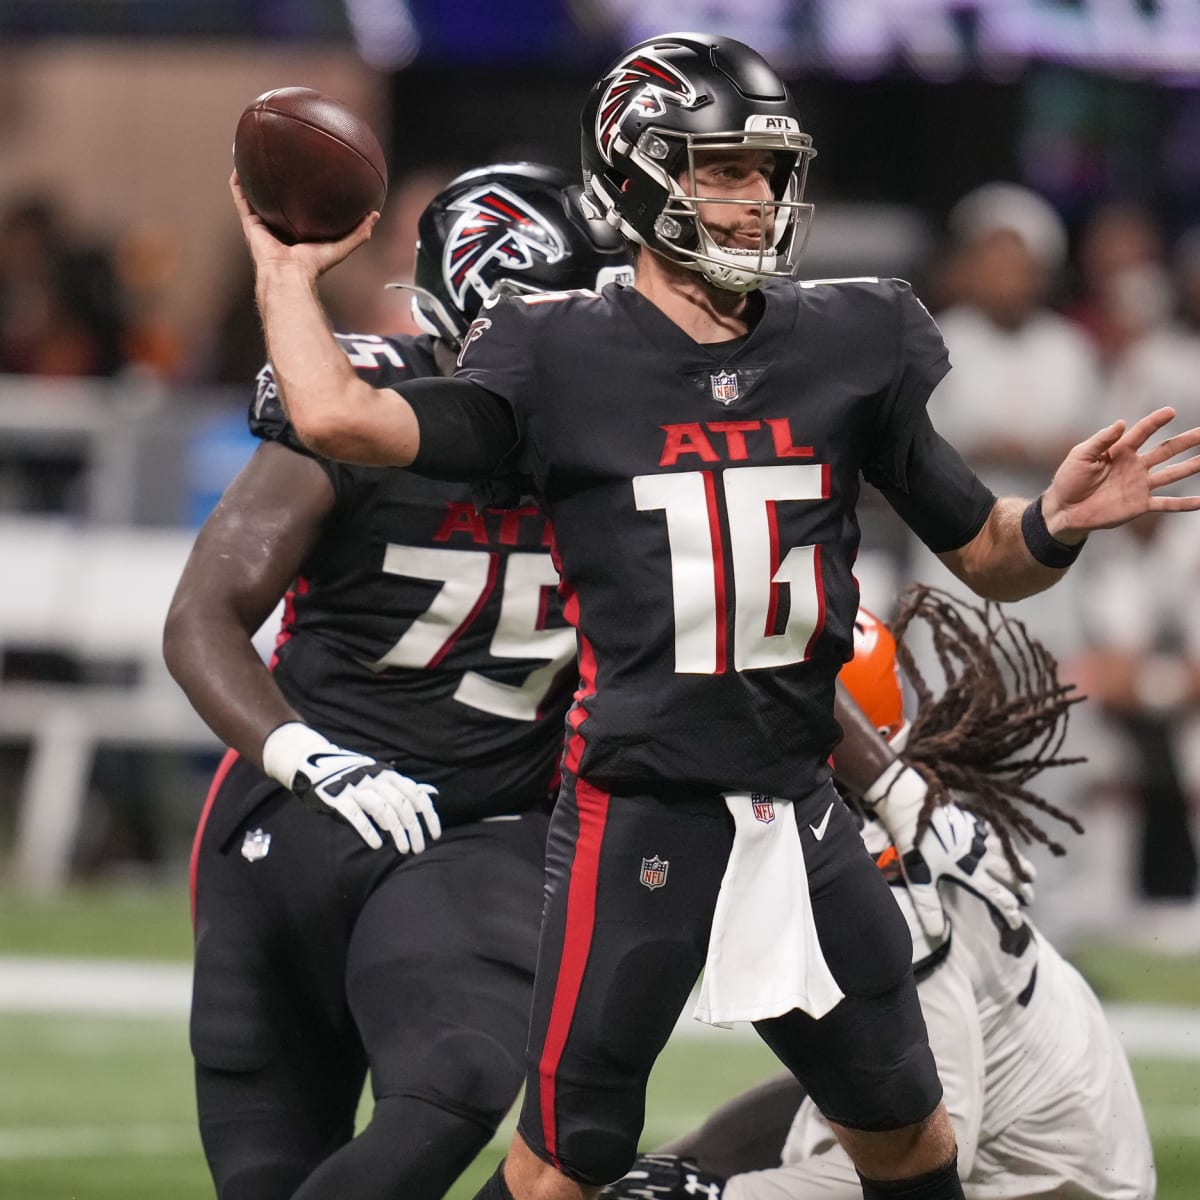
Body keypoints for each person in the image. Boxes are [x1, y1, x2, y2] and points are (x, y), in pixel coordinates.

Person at [228, 31, 1200, 1200]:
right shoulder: (557, 353)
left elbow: (989, 557)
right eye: (720, 169)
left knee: (911, 1131)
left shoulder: (853, 338)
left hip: (799, 807)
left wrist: (1055, 520)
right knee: (559, 1165)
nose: (752, 202)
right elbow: (341, 421)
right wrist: (287, 272)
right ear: (636, 176)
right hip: (643, 809)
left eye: (766, 172)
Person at [163, 161, 631, 1200]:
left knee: (458, 1075)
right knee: (267, 1166)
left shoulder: (631, 440)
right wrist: (309, 757)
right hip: (302, 802)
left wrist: (891, 783)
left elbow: (745, 629)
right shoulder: (356, 404)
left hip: (485, 819)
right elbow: (204, 615)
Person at [600, 588, 1157, 1200]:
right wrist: (688, 1162)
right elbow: (839, 1089)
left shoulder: (887, 889)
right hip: (1031, 1150)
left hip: (1052, 1185)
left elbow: (933, 1150)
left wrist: (716, 1196)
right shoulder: (863, 831)